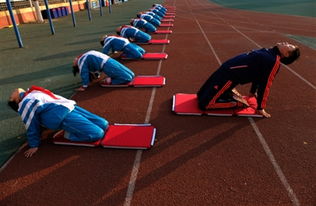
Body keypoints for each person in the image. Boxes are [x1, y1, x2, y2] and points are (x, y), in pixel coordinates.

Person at [197, 42, 300, 118]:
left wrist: (260, 107)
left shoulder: (273, 61)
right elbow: (258, 73)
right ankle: (227, 93)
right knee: (200, 95)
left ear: (286, 54)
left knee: (204, 104)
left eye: (289, 46)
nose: (286, 42)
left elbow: (265, 84)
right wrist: (252, 91)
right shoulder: (268, 51)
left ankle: (239, 103)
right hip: (223, 72)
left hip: (228, 77)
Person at [8, 85, 109, 157]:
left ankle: (65, 129)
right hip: (62, 116)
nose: (12, 91)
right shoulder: (25, 103)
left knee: (104, 124)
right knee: (97, 134)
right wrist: (34, 145)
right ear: (16, 101)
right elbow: (30, 124)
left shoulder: (31, 92)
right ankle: (66, 134)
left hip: (70, 107)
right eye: (11, 96)